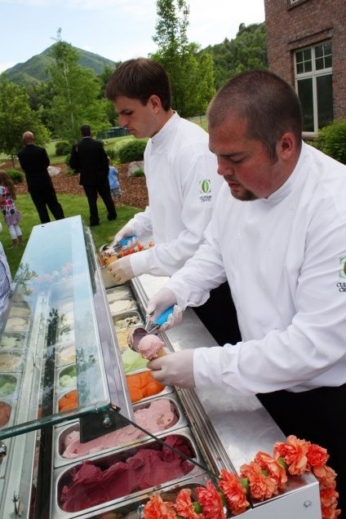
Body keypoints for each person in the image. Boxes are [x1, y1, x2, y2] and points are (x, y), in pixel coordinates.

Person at [144, 70, 346, 515]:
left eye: (234, 158)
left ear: (286, 145)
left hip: (320, 399)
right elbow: (216, 248)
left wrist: (203, 365)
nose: (220, 171)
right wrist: (177, 289)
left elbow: (314, 344)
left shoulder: (334, 208)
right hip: (259, 378)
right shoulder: (233, 187)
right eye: (217, 156)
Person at [104, 57, 241, 346]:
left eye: (127, 112)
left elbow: (199, 239)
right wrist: (134, 228)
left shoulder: (194, 151)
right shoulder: (153, 147)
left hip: (213, 286)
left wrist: (137, 263)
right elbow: (161, 208)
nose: (122, 122)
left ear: (154, 102)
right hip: (179, 282)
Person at [69, 125, 117, 226]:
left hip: (87, 177)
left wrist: (79, 169)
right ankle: (112, 214)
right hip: (100, 176)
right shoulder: (98, 144)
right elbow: (104, 160)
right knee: (106, 196)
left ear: (81, 133)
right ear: (90, 132)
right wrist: (104, 172)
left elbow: (73, 163)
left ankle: (94, 220)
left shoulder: (77, 146)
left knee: (91, 199)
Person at [17, 131, 65, 224]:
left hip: (32, 183)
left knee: (40, 207)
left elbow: (23, 168)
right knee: (53, 204)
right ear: (34, 139)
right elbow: (46, 163)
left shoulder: (21, 154)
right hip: (44, 181)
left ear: (24, 141)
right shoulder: (41, 150)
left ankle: (46, 227)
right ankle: (61, 222)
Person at [0, 170, 23, 248]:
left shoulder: (0, 188)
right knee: (16, 225)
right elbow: (14, 197)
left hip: (6, 210)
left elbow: (1, 200)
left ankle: (14, 244)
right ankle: (20, 242)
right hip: (13, 207)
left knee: (10, 226)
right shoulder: (10, 186)